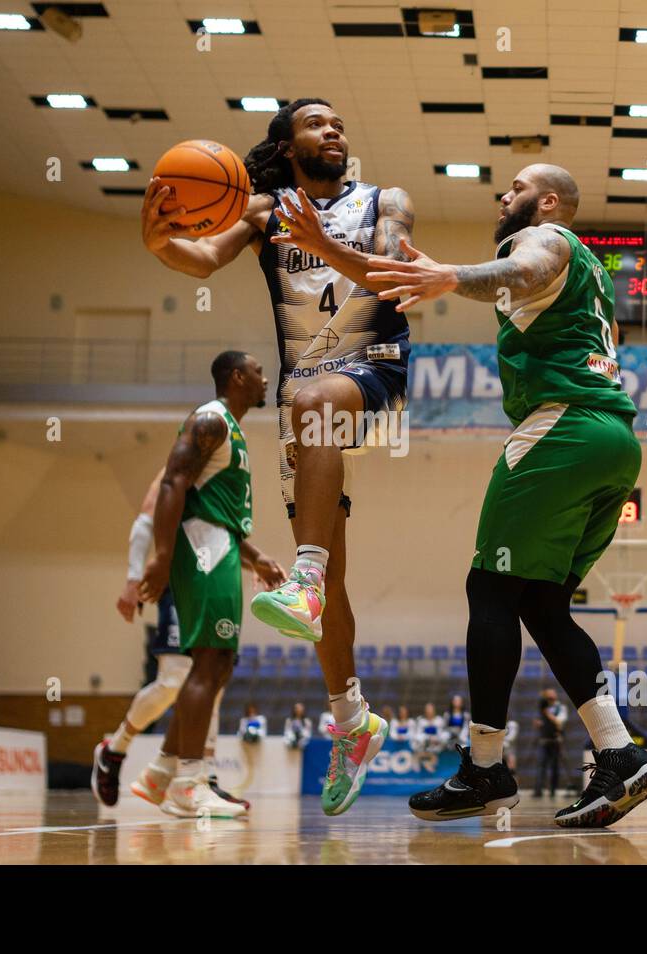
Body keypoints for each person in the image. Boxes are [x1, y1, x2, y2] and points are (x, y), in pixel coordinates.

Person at [142, 98, 416, 816]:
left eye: (340, 124)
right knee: (326, 586)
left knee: (316, 409)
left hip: (372, 367)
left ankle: (307, 578)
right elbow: (199, 258)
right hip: (306, 402)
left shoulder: (387, 200)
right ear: (287, 145)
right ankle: (353, 721)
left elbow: (389, 275)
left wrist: (322, 244)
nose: (335, 130)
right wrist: (159, 236)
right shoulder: (264, 210)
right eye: (317, 123)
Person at [379, 164, 647, 826]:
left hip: (560, 427)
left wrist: (449, 276)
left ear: (551, 201)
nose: (504, 196)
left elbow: (528, 268)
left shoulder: (545, 239)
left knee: (490, 591)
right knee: (542, 604)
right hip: (614, 439)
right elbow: (526, 289)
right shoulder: (591, 273)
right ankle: (619, 754)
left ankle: (484, 767)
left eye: (516, 187)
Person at [130, 351, 285, 819]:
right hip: (201, 549)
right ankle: (189, 781)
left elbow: (213, 507)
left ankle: (160, 772)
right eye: (257, 372)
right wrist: (159, 556)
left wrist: (255, 557)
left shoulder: (232, 430)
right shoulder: (210, 419)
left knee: (218, 667)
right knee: (209, 661)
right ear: (237, 377)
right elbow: (173, 483)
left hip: (218, 546)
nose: (264, 379)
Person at [90, 468, 241, 810]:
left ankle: (203, 777)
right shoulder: (190, 454)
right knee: (174, 680)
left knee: (213, 680)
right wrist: (132, 579)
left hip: (212, 581)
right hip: (177, 580)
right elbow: (145, 521)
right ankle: (115, 749)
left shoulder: (229, 471)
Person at [532, 689, 567, 798]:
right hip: (543, 739)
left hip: (555, 740)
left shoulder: (560, 708)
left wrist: (548, 714)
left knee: (554, 766)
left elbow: (560, 722)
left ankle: (552, 790)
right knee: (540, 766)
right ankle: (538, 790)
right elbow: (538, 723)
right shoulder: (542, 709)